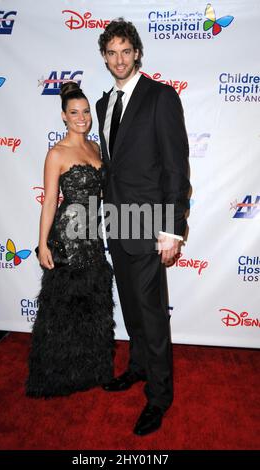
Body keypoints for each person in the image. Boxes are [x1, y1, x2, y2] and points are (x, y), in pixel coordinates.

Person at [96, 19, 190, 435]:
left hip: (151, 224)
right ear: (105, 57)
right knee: (131, 307)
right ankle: (136, 367)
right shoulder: (104, 104)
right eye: (111, 52)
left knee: (152, 314)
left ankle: (159, 396)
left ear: (137, 53)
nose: (119, 59)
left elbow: (175, 167)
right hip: (117, 221)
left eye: (125, 51)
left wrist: (173, 230)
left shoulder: (160, 97)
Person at [26, 82, 115, 398]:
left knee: (93, 307)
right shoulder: (57, 153)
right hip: (67, 237)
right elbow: (50, 200)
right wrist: (43, 244)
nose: (82, 118)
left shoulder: (95, 148)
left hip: (92, 237)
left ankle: (92, 370)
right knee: (63, 310)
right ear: (64, 116)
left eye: (86, 112)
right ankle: (56, 376)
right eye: (74, 113)